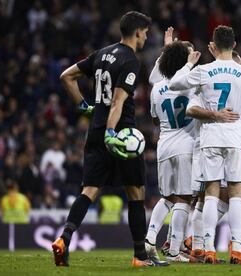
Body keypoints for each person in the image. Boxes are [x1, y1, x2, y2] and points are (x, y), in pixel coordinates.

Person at [51, 11, 165, 267]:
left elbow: (66, 77)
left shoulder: (102, 54)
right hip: (121, 134)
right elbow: (117, 101)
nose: (147, 36)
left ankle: (64, 238)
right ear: (137, 32)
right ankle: (139, 256)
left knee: (89, 190)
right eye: (145, 32)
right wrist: (112, 133)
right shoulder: (130, 61)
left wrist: (84, 107)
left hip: (95, 130)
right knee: (136, 192)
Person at [169, 25, 241, 265]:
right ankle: (236, 250)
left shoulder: (203, 70)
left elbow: (173, 84)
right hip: (236, 140)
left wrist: (189, 64)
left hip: (210, 140)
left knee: (210, 195)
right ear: (235, 45)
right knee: (235, 194)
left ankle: (210, 249)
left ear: (212, 45)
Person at [146, 41, 196, 263]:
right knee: (184, 198)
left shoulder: (156, 88)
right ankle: (175, 250)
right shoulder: (192, 84)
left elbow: (155, 118)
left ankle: (149, 238)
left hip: (164, 144)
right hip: (186, 144)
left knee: (166, 197)